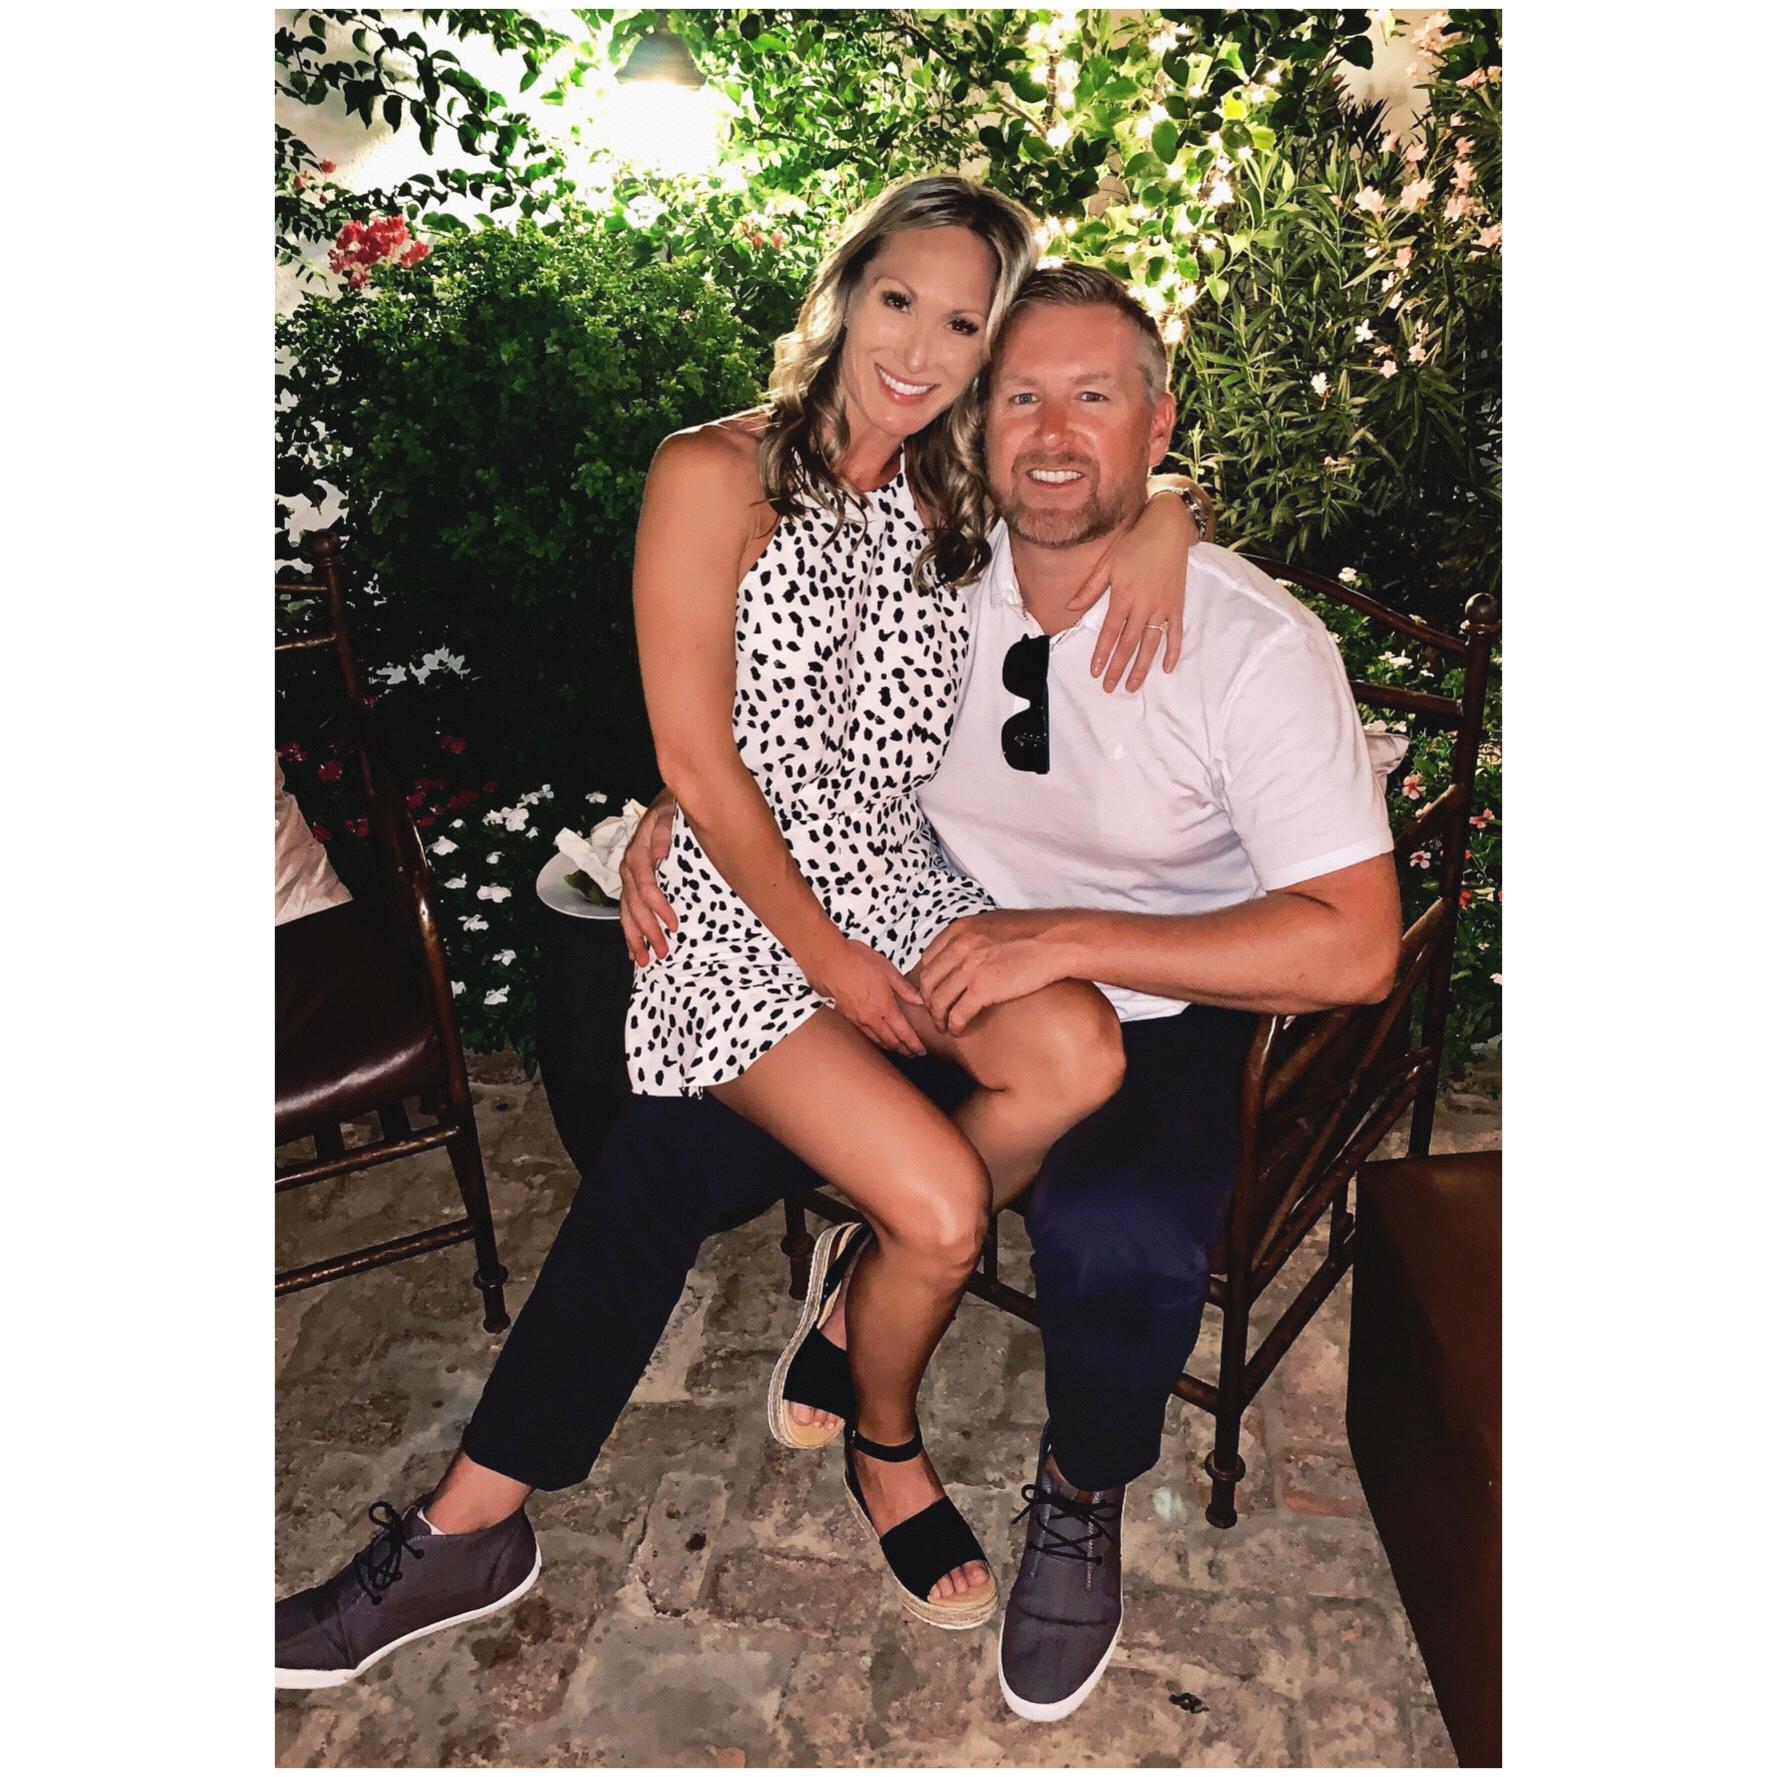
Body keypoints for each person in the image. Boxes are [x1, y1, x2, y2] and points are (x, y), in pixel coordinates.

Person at [275, 180, 1208, 1686]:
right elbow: (702, 757)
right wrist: (815, 949)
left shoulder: (947, 501)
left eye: (961, 324)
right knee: (941, 1212)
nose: (919, 349)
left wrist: (1168, 512)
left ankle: (818, 1312)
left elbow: (1091, 488)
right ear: (844, 289)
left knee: (1077, 1047)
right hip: (733, 904)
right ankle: (881, 1443)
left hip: (895, 877)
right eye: (898, 300)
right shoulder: (707, 471)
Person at [617, 263, 1402, 1721]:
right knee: (729, 1134)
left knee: (1117, 1237)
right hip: (936, 946)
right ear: (974, 423)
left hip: (1172, 985)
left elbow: (1355, 948)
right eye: (1020, 395)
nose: (1051, 432)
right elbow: (770, 708)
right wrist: (683, 803)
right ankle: (874, 1297)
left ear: (1158, 425)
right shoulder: (933, 566)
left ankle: (1081, 1482)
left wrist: (1071, 934)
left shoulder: (1247, 644)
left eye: (1094, 398)